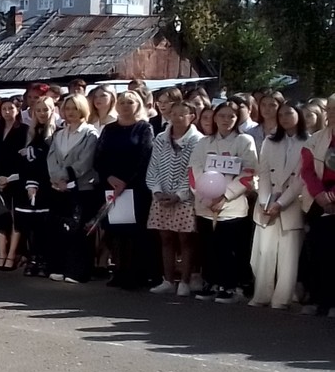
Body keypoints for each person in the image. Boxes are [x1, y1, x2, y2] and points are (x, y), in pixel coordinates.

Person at [189, 102, 258, 303]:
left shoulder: (244, 141)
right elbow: (194, 170)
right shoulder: (204, 142)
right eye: (221, 116)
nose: (226, 120)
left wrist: (225, 195)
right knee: (207, 246)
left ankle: (230, 285)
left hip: (232, 205)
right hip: (205, 203)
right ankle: (211, 281)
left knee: (229, 247)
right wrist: (205, 195)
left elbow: (249, 172)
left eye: (231, 116)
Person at [95, 90, 155, 289]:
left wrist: (126, 182)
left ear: (138, 105)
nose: (125, 105)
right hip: (111, 186)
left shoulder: (144, 128)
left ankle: (135, 275)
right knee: (115, 232)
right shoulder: (109, 129)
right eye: (121, 102)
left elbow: (145, 157)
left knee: (135, 233)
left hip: (136, 188)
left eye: (130, 102)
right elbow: (99, 157)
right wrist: (110, 177)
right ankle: (119, 271)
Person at [249, 102, 307, 309]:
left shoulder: (308, 142)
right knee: (264, 252)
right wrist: (265, 201)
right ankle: (261, 294)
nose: (284, 118)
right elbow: (263, 172)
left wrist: (281, 203)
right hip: (268, 202)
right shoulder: (270, 141)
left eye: (289, 114)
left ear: (299, 115)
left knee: (288, 255)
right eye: (280, 114)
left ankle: (282, 298)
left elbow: (301, 178)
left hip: (292, 202)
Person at [145, 101, 204, 297]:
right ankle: (168, 280)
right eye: (174, 113)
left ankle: (185, 281)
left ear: (192, 117)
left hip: (185, 198)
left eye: (182, 114)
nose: (177, 117)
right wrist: (156, 191)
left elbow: (193, 170)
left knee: (185, 240)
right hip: (161, 196)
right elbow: (153, 166)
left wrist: (179, 194)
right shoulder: (161, 138)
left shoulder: (197, 140)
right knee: (166, 238)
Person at [46, 94, 100, 283]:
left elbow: (85, 161)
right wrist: (57, 179)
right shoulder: (59, 134)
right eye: (67, 108)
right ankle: (59, 267)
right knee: (60, 229)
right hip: (59, 189)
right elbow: (51, 159)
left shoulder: (90, 134)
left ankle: (78, 271)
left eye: (75, 108)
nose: (71, 112)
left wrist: (66, 176)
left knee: (79, 231)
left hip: (81, 188)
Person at [298, 108, 335, 317]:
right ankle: (317, 299)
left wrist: (332, 196)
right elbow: (307, 170)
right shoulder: (315, 140)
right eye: (331, 110)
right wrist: (321, 195)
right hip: (318, 199)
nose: (334, 114)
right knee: (318, 252)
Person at [16, 97, 57, 277]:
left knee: (45, 226)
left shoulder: (57, 132)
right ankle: (33, 258)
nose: (42, 113)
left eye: (45, 109)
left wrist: (34, 153)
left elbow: (50, 160)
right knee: (30, 224)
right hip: (30, 184)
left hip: (48, 184)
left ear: (52, 111)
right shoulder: (31, 132)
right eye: (38, 110)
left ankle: (45, 261)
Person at [0, 96, 29, 271]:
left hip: (16, 180)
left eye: (10, 108)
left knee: (15, 219)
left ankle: (12, 255)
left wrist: (9, 177)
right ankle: (1, 254)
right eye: (4, 109)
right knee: (0, 217)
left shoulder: (24, 130)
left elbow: (23, 157)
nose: (7, 112)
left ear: (17, 110)